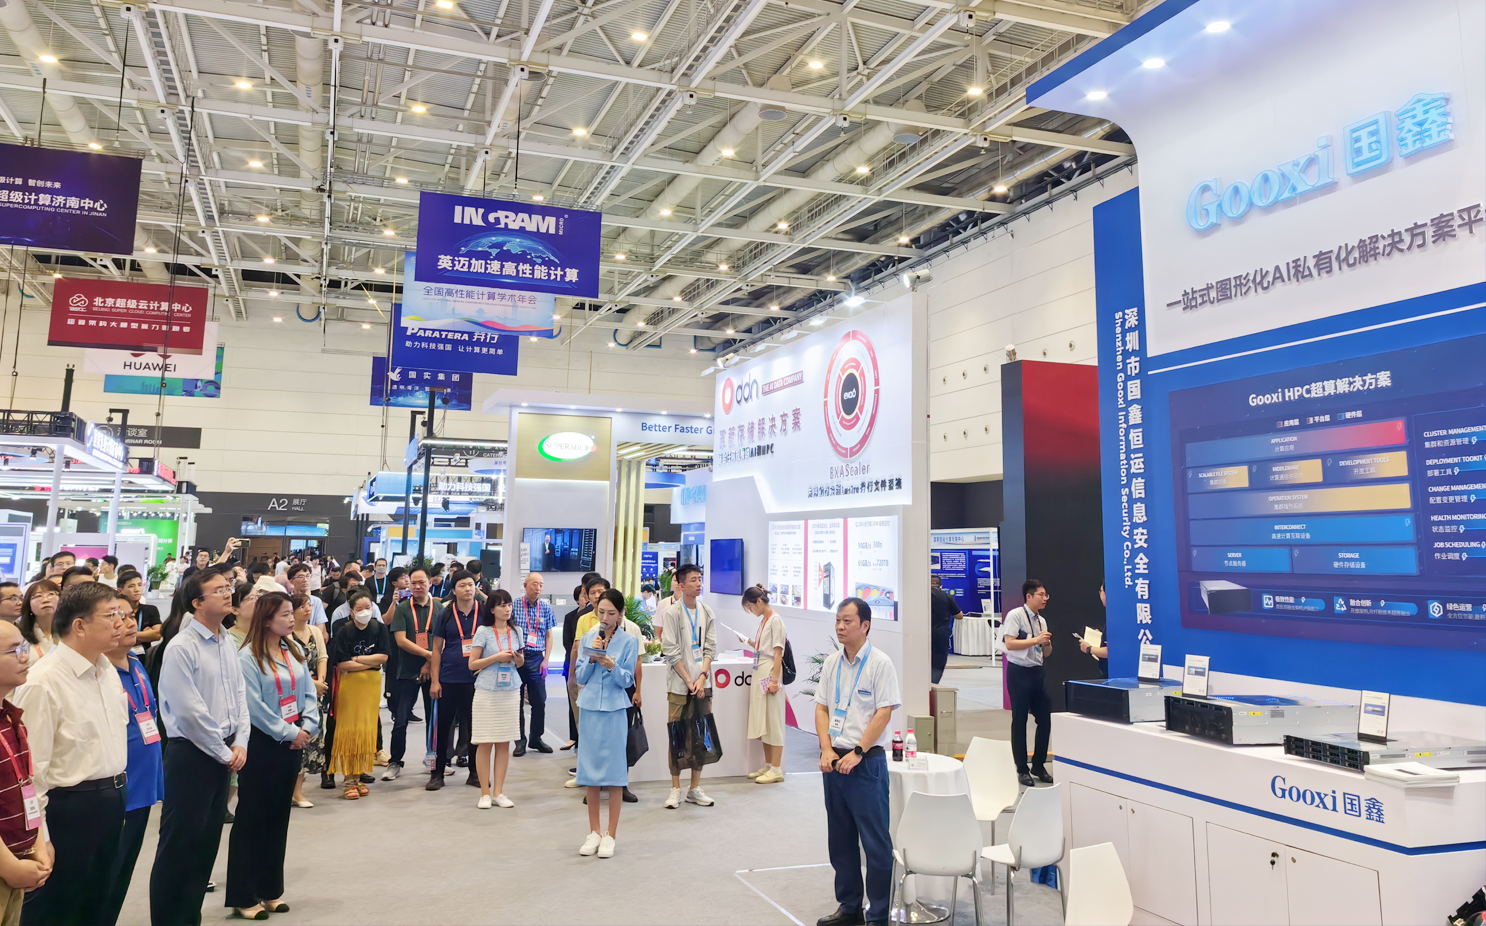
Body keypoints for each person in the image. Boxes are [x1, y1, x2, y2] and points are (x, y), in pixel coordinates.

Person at [12, 582, 128, 926]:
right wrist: (40, 838)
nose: (120, 622)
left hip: (109, 801)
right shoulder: (43, 681)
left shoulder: (106, 669)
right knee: (58, 909)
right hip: (69, 810)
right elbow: (31, 773)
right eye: (111, 615)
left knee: (98, 904)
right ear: (79, 625)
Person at [150, 567, 252, 926]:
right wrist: (225, 753)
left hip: (225, 752)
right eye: (219, 590)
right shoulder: (182, 647)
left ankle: (189, 917)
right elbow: (189, 712)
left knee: (205, 845)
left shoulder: (226, 641)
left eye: (228, 587)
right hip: (192, 754)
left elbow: (238, 695)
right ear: (196, 602)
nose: (228, 593)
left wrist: (241, 741)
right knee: (180, 845)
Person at [227, 592, 319, 919]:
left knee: (278, 818)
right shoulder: (246, 658)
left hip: (293, 743)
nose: (291, 619)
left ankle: (270, 890)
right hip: (263, 744)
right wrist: (291, 732)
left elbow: (308, 692)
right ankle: (243, 895)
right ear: (266, 620)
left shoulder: (292, 651)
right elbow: (253, 707)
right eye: (284, 614)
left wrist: (309, 726)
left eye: (292, 613)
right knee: (253, 818)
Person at [815, 598, 900, 926]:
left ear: (865, 625)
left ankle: (878, 915)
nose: (840, 626)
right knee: (840, 840)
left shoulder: (880, 663)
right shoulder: (832, 663)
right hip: (834, 761)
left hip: (866, 764)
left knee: (875, 843)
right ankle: (849, 907)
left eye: (847, 621)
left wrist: (859, 752)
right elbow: (822, 708)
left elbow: (883, 712)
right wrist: (826, 748)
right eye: (838, 620)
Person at [101, 593, 164, 926]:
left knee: (122, 873)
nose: (127, 624)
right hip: (114, 791)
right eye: (118, 616)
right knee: (104, 878)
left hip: (144, 786)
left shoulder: (137, 664)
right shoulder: (99, 672)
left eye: (130, 617)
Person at [574, 589, 638, 859]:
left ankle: (611, 834)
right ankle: (594, 832)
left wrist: (611, 664)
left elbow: (627, 680)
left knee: (613, 772)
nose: (605, 618)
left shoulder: (629, 641)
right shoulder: (589, 638)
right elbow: (580, 676)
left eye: (611, 613)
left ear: (621, 614)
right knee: (590, 771)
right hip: (590, 708)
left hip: (614, 709)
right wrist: (592, 658)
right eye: (601, 612)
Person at [0, 619, 52, 926]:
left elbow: (26, 788)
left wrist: (37, 846)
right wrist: (9, 867)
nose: (25, 657)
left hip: (17, 861)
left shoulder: (12, 717)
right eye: (13, 651)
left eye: (24, 647)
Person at [659, 563, 716, 809]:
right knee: (677, 737)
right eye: (693, 580)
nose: (698, 583)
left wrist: (702, 678)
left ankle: (695, 788)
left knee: (699, 737)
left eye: (700, 579)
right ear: (681, 585)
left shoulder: (707, 611)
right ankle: (675, 788)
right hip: (679, 686)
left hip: (703, 685)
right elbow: (670, 650)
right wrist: (689, 680)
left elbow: (710, 648)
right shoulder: (672, 612)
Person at [327, 591, 389, 800]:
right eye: (359, 609)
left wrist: (357, 659)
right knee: (350, 731)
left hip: (371, 688)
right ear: (351, 611)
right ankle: (348, 779)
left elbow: (383, 657)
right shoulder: (344, 631)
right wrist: (370, 663)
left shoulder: (379, 628)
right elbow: (342, 664)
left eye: (368, 608)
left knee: (366, 730)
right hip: (350, 688)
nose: (364, 612)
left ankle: (359, 775)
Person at [467, 589, 522, 809]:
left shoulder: (516, 631)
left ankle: (499, 792)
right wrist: (496, 657)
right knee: (485, 741)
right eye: (502, 605)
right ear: (492, 609)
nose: (507, 609)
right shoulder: (483, 632)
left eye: (509, 605)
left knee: (504, 741)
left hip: (510, 690)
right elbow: (472, 664)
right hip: (487, 691)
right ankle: (484, 792)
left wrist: (517, 658)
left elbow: (521, 663)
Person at [427, 570, 478, 790]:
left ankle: (475, 773)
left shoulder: (484, 612)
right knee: (443, 728)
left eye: (471, 585)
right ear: (454, 590)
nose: (468, 589)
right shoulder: (445, 613)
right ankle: (437, 774)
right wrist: (435, 680)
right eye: (462, 585)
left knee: (475, 729)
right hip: (448, 678)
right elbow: (436, 649)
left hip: (476, 681)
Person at [387, 570, 438, 783]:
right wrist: (427, 655)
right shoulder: (403, 608)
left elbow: (442, 641)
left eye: (421, 582)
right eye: (413, 583)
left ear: (429, 583)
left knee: (433, 719)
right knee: (401, 720)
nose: (417, 586)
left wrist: (429, 662)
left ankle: (434, 760)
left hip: (433, 672)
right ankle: (395, 762)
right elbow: (401, 640)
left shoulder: (439, 608)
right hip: (407, 672)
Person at [1003, 579, 1054, 787]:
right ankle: (1022, 769)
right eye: (1041, 595)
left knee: (1045, 719)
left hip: (1037, 672)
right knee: (1020, 720)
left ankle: (1038, 765)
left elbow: (1046, 653)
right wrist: (1036, 640)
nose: (1045, 599)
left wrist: (1046, 644)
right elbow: (1009, 643)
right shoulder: (1015, 615)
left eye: (1046, 595)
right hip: (1019, 672)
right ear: (1029, 596)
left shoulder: (1042, 621)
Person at [740, 585, 786, 784]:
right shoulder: (765, 621)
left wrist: (774, 681)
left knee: (773, 720)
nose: (751, 611)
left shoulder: (776, 620)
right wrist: (750, 642)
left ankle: (776, 769)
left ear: (759, 601)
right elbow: (764, 648)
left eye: (751, 607)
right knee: (764, 721)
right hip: (761, 668)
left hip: (769, 671)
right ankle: (768, 765)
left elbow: (778, 653)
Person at [289, 594, 328, 807]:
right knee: (296, 740)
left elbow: (322, 657)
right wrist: (313, 685)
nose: (307, 609)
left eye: (309, 605)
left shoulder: (315, 631)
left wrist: (320, 682)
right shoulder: (286, 635)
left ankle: (298, 791)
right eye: (302, 606)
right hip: (295, 692)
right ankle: (291, 791)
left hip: (315, 693)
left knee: (311, 741)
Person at [511, 572, 556, 756]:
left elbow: (549, 635)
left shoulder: (545, 608)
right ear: (525, 585)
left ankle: (536, 738)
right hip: (517, 657)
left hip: (537, 657)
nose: (538, 588)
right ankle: (519, 741)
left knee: (539, 700)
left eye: (541, 585)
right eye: (534, 584)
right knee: (517, 701)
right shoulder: (514, 605)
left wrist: (546, 660)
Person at [560, 584, 588, 751]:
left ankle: (584, 739)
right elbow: (568, 642)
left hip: (587, 665)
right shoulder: (571, 617)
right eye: (581, 597)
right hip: (572, 663)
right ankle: (573, 737)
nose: (584, 600)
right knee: (573, 703)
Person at [117, 572, 162, 650]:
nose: (137, 589)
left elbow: (157, 634)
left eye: (140, 585)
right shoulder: (116, 611)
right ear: (120, 590)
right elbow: (114, 635)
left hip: (144, 654)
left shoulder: (150, 610)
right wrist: (146, 635)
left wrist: (129, 635)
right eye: (131, 586)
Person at [929, 582, 963, 685]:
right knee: (938, 662)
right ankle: (933, 684)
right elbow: (959, 615)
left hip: (922, 633)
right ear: (941, 586)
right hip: (941, 634)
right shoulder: (946, 597)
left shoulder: (919, 595)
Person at [17, 583, 60, 659]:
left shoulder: (70, 632)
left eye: (51, 594)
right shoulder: (19, 634)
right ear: (28, 605)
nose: (46, 600)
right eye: (38, 596)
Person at [1079, 584, 1109, 678]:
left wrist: (1089, 648)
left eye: (1101, 591)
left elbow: (1112, 651)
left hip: (1112, 674)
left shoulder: (1116, 618)